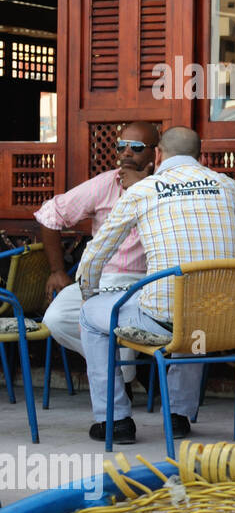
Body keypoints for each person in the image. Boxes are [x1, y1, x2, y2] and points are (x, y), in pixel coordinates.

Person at [79, 127, 235, 445]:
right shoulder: (229, 187)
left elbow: (95, 256)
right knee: (197, 311)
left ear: (158, 154)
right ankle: (178, 416)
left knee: (91, 316)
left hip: (163, 319)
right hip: (222, 321)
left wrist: (90, 294)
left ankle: (115, 420)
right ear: (201, 157)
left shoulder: (142, 191)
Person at [35, 121, 157, 384]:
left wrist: (144, 188)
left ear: (155, 154)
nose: (126, 153)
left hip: (147, 283)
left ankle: (116, 383)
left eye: (135, 147)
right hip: (99, 281)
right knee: (55, 319)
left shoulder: (164, 189)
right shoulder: (104, 184)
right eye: (121, 146)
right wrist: (57, 271)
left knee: (121, 325)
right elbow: (50, 214)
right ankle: (112, 370)